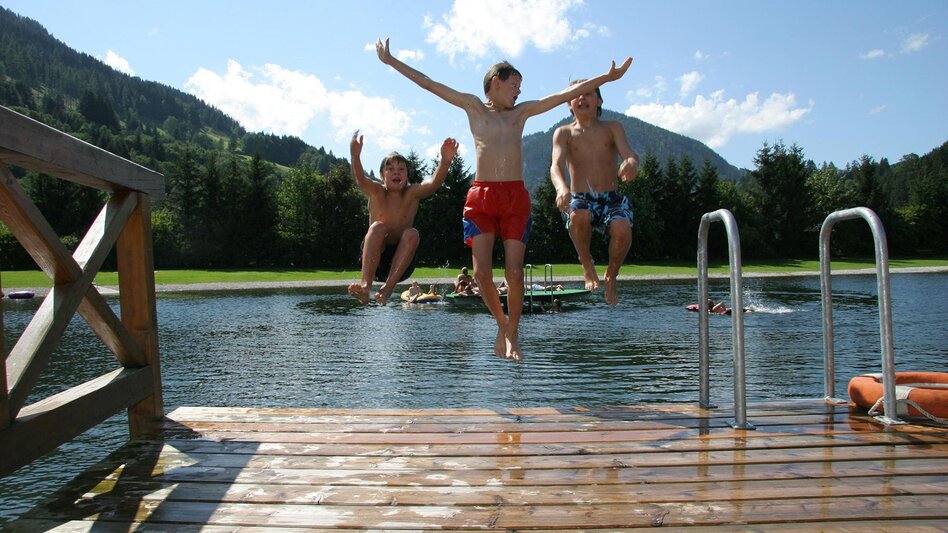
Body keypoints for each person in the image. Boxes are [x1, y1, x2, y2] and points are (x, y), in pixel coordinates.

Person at [377, 37, 631, 361]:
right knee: (482, 274)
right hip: (481, 196)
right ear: (496, 82)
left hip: (514, 198)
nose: (519, 92)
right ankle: (503, 324)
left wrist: (606, 78)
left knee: (513, 273)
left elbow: (561, 96)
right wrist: (391, 61)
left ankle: (513, 334)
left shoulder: (520, 114)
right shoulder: (473, 107)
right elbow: (429, 84)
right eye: (515, 85)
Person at [550, 80, 639, 306]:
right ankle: (586, 261)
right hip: (580, 198)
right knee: (578, 216)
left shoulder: (612, 128)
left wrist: (631, 163)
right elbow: (555, 166)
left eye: (588, 94)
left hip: (611, 198)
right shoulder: (564, 133)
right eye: (576, 94)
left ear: (598, 101)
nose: (582, 98)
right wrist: (562, 187)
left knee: (621, 229)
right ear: (569, 104)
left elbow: (629, 154)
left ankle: (611, 275)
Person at [348, 131, 459, 305]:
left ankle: (387, 290)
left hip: (402, 264)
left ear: (407, 176)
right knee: (378, 227)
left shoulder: (411, 194)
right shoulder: (376, 191)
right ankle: (365, 287)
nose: (396, 172)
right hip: (374, 259)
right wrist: (355, 156)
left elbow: (434, 184)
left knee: (412, 233)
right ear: (382, 175)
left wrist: (445, 161)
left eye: (401, 169)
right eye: (390, 169)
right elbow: (360, 180)